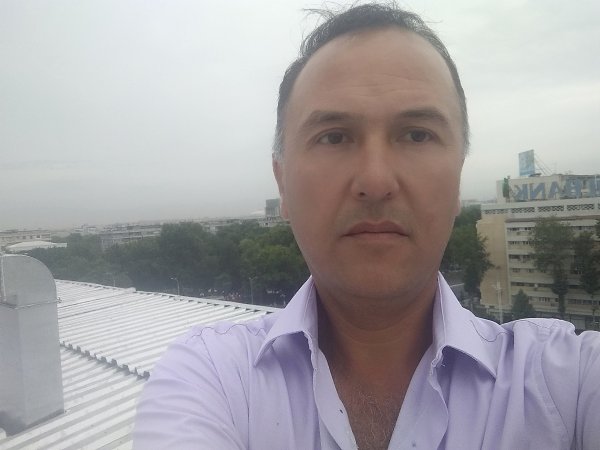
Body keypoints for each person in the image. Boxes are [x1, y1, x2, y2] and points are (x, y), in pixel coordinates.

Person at [134, 3, 600, 449]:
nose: (376, 182)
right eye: (334, 137)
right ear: (282, 183)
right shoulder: (211, 378)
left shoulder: (569, 383)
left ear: (458, 177)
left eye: (416, 134)